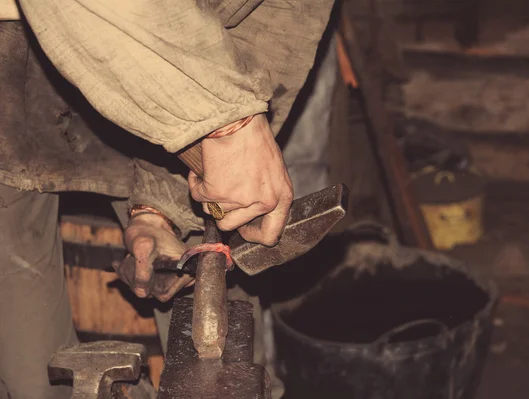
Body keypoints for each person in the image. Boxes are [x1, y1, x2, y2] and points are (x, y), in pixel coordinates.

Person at [0, 0, 336, 397]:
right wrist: (226, 123)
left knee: (227, 365)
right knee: (31, 367)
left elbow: (276, 23)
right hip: (13, 78)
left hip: (192, 56)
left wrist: (161, 209)